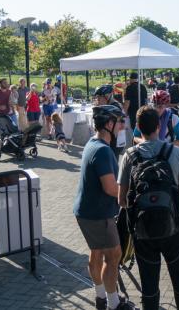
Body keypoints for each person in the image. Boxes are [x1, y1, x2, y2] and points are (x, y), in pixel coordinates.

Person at [118, 106, 179, 310]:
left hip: (143, 233)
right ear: (159, 126)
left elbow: (121, 199)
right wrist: (175, 211)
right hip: (173, 229)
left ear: (137, 128)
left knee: (149, 287)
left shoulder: (129, 155)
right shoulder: (175, 152)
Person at [74, 105, 134, 310]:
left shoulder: (93, 143)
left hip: (87, 211)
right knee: (113, 255)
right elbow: (110, 188)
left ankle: (101, 297)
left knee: (97, 253)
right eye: (119, 122)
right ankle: (113, 303)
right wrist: (130, 198)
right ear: (109, 124)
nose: (122, 126)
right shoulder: (102, 151)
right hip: (98, 214)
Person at [124, 73, 148, 138]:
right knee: (142, 128)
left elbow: (127, 102)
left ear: (130, 79)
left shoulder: (129, 88)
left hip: (133, 112)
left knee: (134, 129)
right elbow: (146, 101)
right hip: (142, 110)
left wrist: (124, 113)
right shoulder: (142, 87)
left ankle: (136, 142)